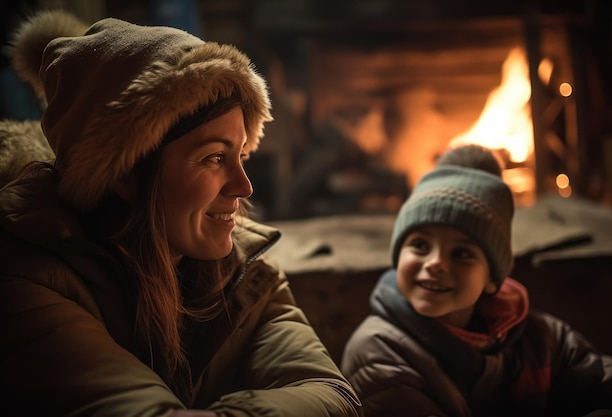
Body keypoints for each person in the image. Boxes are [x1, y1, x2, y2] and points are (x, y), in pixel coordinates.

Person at [0, 10, 362, 417]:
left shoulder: (242, 270)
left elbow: (335, 396)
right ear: (126, 173)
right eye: (214, 157)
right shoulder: (27, 279)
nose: (244, 187)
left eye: (242, 155)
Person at [340, 143, 612, 417]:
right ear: (397, 256)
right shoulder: (378, 352)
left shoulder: (538, 338)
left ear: (492, 278)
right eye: (420, 245)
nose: (436, 262)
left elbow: (601, 377)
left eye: (462, 253)